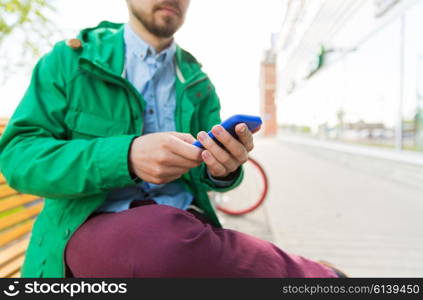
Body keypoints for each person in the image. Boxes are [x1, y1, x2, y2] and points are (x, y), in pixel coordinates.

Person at [0, 0, 343, 278]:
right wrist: (127, 156)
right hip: (91, 227)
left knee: (171, 233)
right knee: (158, 236)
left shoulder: (198, 82)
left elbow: (208, 179)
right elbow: (18, 156)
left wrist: (221, 169)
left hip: (184, 226)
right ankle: (317, 277)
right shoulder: (71, 61)